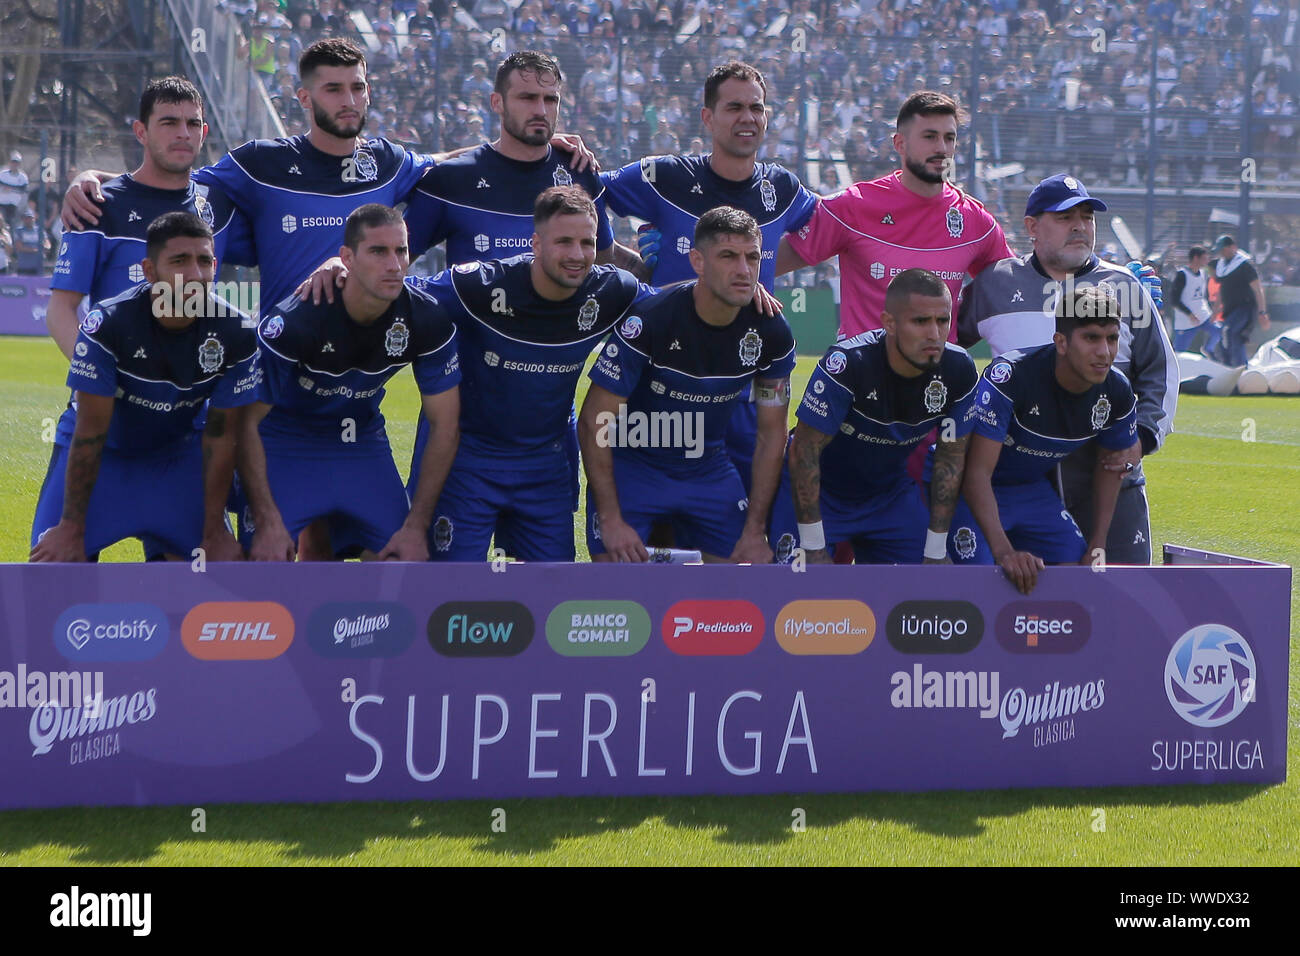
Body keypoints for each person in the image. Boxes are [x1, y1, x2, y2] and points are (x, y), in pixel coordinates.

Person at [301, 186, 653, 561]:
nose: (577, 254)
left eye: (587, 242)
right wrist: (340, 266)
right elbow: (398, 291)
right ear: (536, 243)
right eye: (563, 241)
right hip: (468, 462)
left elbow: (675, 308)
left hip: (545, 465)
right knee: (447, 591)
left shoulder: (612, 291)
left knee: (551, 593)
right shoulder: (479, 286)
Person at [398, 50, 640, 558]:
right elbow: (396, 263)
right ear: (496, 103)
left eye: (551, 99)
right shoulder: (452, 180)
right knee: (444, 592)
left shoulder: (580, 178)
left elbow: (604, 264)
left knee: (545, 602)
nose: (541, 109)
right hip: (464, 422)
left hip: (546, 437)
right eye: (528, 97)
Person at [597, 60, 819, 560]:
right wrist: (628, 264)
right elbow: (587, 193)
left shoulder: (781, 189)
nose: (748, 117)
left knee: (739, 547)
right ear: (707, 117)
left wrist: (760, 278)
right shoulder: (668, 176)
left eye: (757, 107)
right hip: (666, 382)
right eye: (734, 106)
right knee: (651, 548)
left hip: (739, 393)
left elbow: (829, 230)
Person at [956, 173, 1177, 565]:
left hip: (1107, 475)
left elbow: (1161, 371)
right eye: (1064, 217)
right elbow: (947, 350)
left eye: (1087, 216)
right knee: (1025, 604)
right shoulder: (994, 284)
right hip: (1021, 482)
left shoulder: (1125, 286)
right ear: (1031, 227)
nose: (1080, 226)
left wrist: (1142, 438)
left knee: (1124, 596)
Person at [29, 212, 259, 563]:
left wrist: (213, 530)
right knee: (53, 572)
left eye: (204, 262)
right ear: (150, 271)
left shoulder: (237, 330)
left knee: (220, 570)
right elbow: (91, 433)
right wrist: (72, 527)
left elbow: (221, 434)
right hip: (107, 454)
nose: (195, 275)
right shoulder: (107, 324)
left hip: (177, 456)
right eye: (180, 261)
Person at [238, 205, 461, 562]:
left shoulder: (425, 317)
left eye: (401, 251)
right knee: (264, 562)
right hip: (284, 442)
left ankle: (353, 619)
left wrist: (416, 526)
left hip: (360, 443)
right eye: (377, 251)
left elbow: (445, 423)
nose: (393, 264)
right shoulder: (300, 317)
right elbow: (244, 420)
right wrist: (266, 518)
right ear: (347, 258)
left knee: (403, 562)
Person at [578, 206, 794, 563]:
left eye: (752, 257)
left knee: (746, 573)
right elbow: (593, 421)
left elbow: (772, 434)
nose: (743, 270)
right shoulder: (651, 319)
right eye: (728, 256)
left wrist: (755, 530)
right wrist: (611, 519)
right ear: (697, 261)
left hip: (707, 469)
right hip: (635, 466)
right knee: (615, 584)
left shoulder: (771, 330)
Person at [775, 90, 1014, 343]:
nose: (942, 148)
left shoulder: (975, 221)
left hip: (938, 378)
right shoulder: (854, 206)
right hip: (862, 376)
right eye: (930, 137)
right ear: (899, 144)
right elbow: (766, 265)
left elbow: (1013, 288)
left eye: (949, 138)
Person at [47, 77, 251, 360]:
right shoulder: (97, 204)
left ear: (203, 132)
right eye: (169, 123)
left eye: (192, 124)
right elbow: (60, 310)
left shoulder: (220, 207)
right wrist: (95, 374)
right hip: (115, 394)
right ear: (141, 132)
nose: (183, 134)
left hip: (191, 396)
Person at [953, 286, 1139, 594]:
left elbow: (1111, 466)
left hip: (1029, 489)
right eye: (1091, 338)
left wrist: (1098, 542)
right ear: (1061, 343)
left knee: (1075, 573)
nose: (1105, 352)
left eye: (1112, 338)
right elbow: (975, 473)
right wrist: (1004, 552)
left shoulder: (1117, 391)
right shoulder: (1011, 377)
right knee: (983, 580)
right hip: (970, 486)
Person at [788, 269, 977, 565]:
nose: (934, 333)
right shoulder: (848, 365)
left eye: (943, 320)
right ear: (889, 322)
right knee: (796, 586)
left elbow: (950, 459)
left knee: (932, 587)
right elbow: (804, 452)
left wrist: (936, 549)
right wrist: (813, 545)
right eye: (920, 321)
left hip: (888, 497)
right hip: (823, 493)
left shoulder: (959, 370)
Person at [1210, 234, 1270, 366]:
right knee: (1233, 337)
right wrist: (1215, 310)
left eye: (1224, 249)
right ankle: (1235, 367)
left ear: (1233, 247)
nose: (1221, 252)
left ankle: (1237, 367)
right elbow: (1222, 289)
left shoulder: (1245, 265)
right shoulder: (1223, 265)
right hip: (1230, 310)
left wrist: (1262, 312)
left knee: (1229, 331)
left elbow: (1258, 289)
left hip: (1246, 308)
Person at [1169, 244, 1221, 355]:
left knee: (1217, 331)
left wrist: (1210, 311)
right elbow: (1174, 300)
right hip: (1186, 320)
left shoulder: (1203, 274)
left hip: (1203, 315)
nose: (1206, 261)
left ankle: (1208, 350)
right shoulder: (1182, 275)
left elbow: (1203, 295)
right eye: (1204, 258)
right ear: (1196, 258)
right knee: (1179, 352)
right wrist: (1189, 314)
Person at [0, 152, 29, 230]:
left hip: (14, 206)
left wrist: (11, 189)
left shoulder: (23, 177)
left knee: (12, 226)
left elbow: (23, 190)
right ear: (10, 162)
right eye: (13, 162)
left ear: (19, 164)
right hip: (1, 204)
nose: (14, 164)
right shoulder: (2, 174)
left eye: (16, 162)